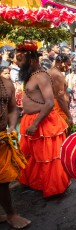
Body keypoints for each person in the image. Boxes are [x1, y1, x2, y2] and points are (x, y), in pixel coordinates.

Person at [16, 45, 70, 197]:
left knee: (48, 158)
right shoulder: (31, 75)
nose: (18, 63)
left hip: (43, 122)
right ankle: (36, 183)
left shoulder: (41, 76)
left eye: (21, 60)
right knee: (33, 156)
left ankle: (53, 189)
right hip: (31, 120)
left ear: (32, 60)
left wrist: (35, 124)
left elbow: (49, 103)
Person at [0, 67, 31, 229]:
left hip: (2, 139)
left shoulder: (6, 84)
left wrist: (11, 127)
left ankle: (11, 214)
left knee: (3, 180)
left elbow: (12, 109)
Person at [47, 54, 73, 123]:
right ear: (61, 62)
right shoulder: (57, 75)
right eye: (68, 64)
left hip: (57, 106)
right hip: (58, 108)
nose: (69, 68)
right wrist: (69, 116)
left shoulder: (53, 71)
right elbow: (60, 98)